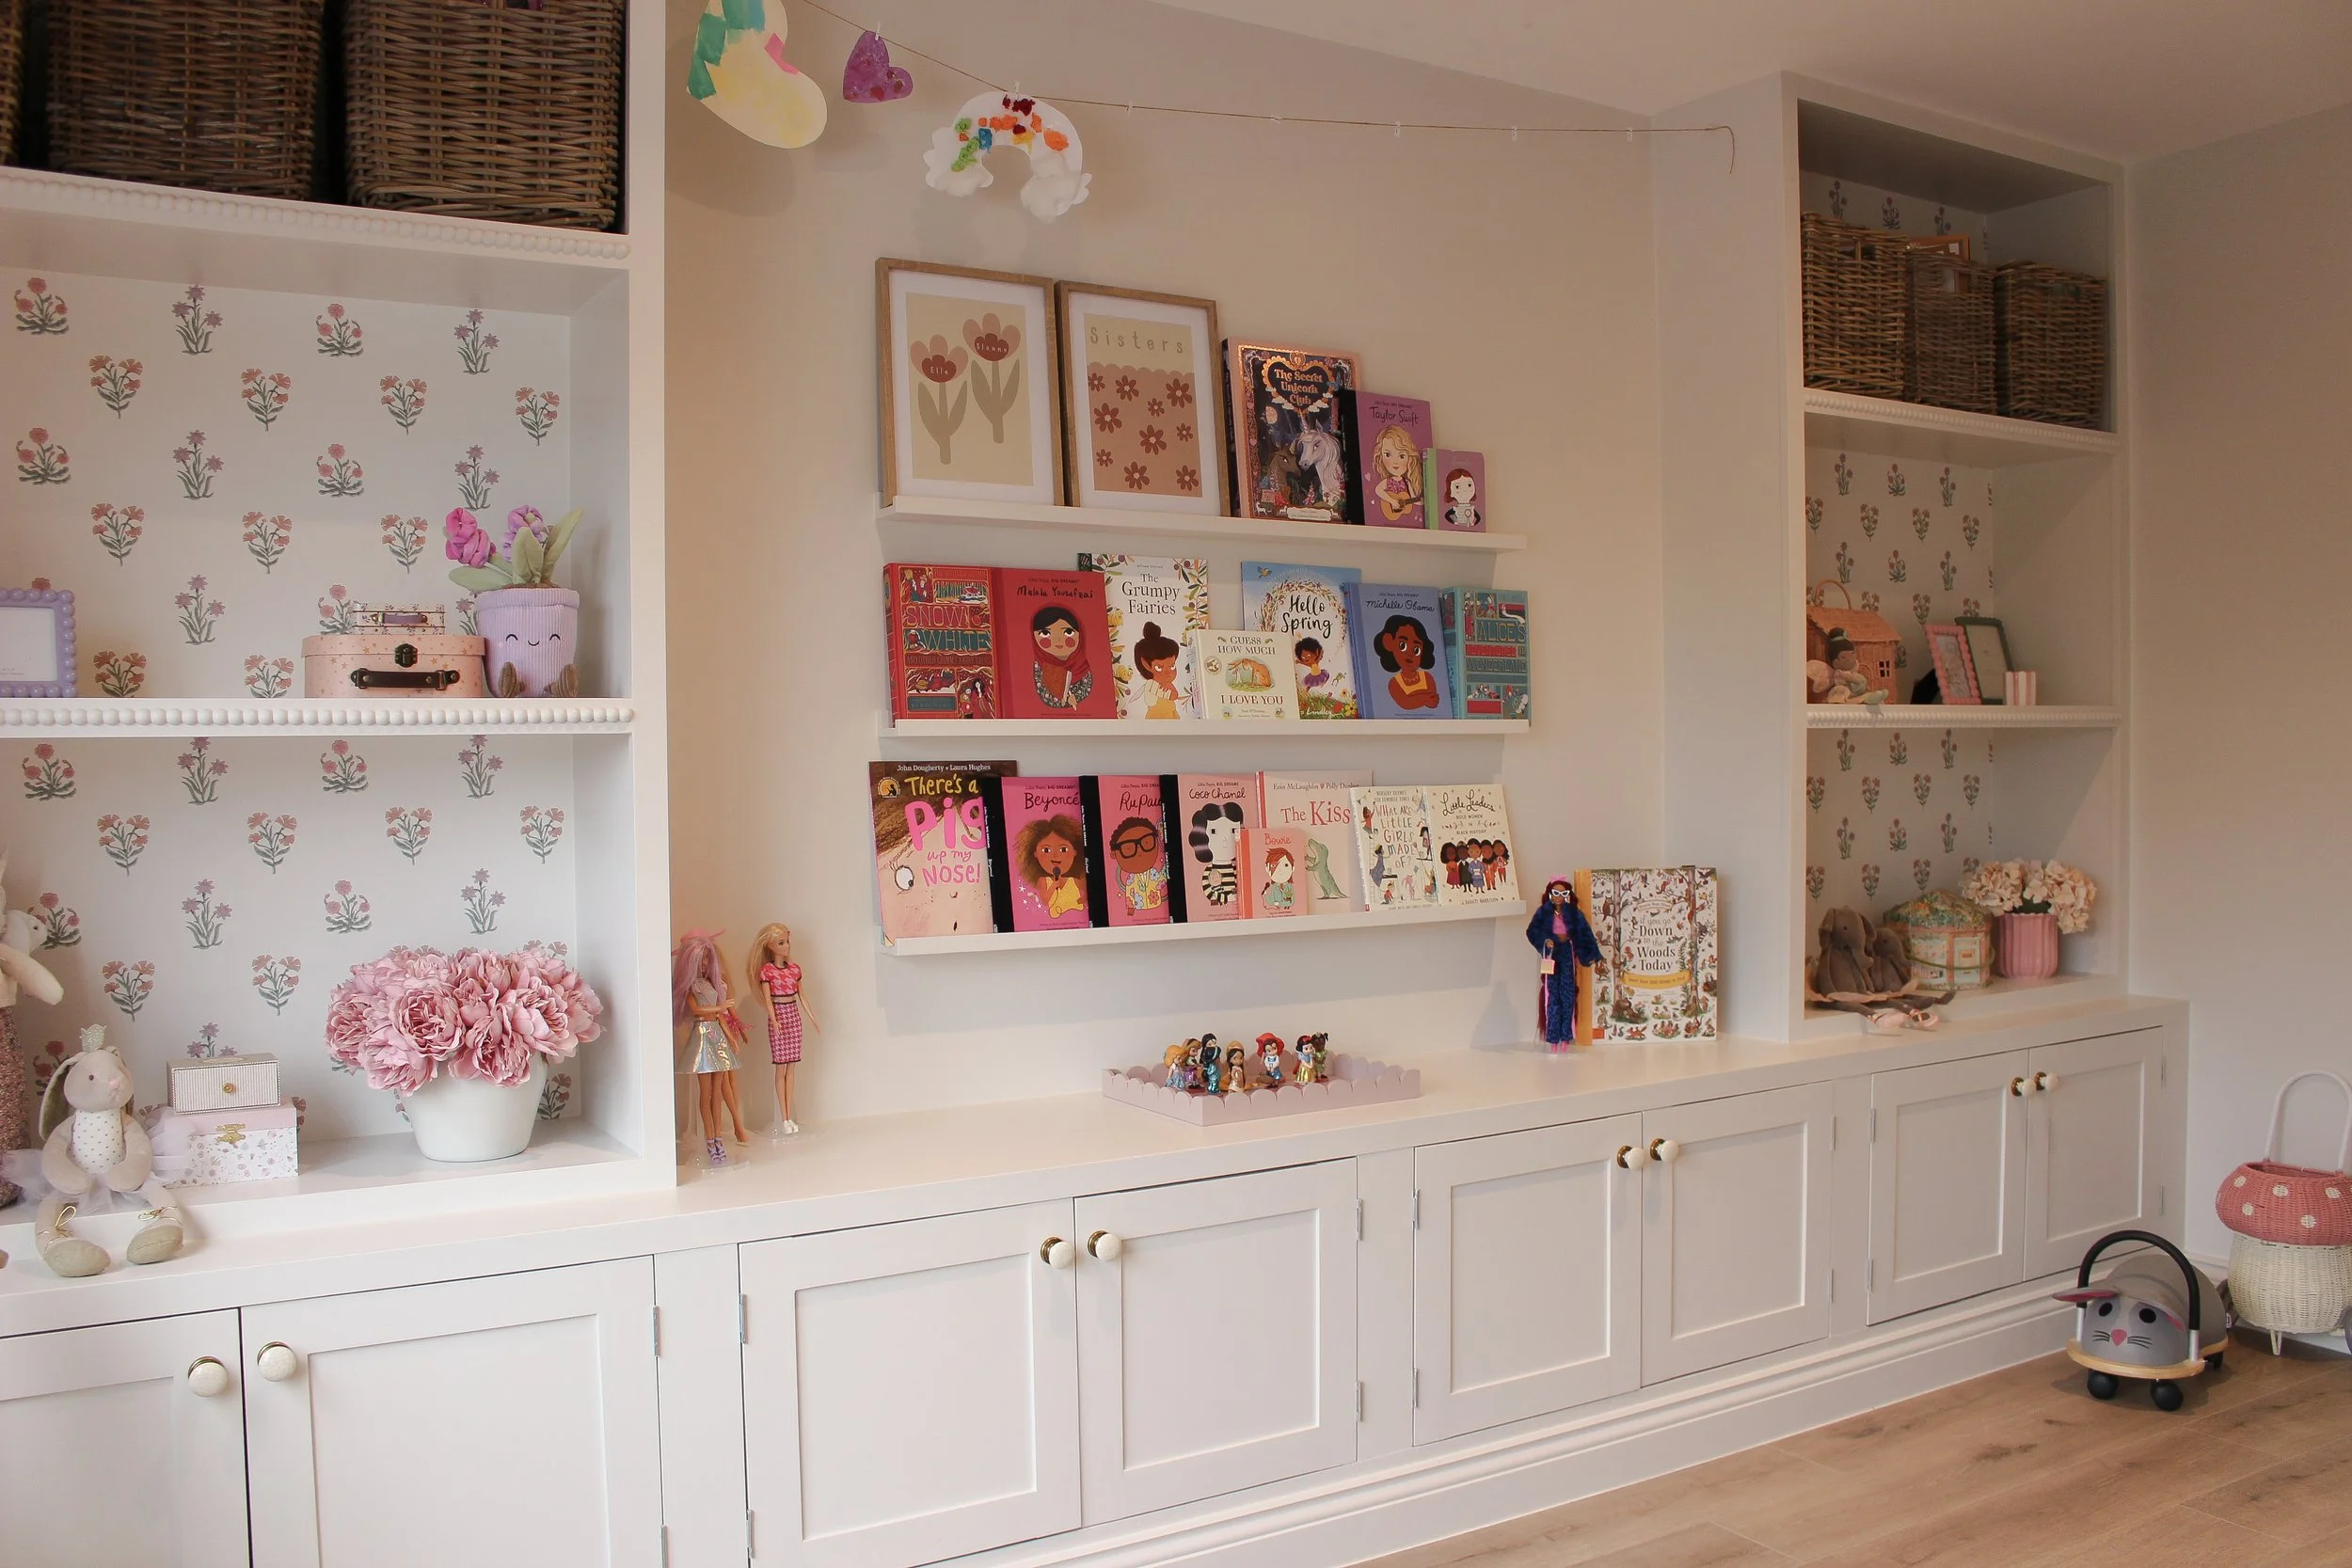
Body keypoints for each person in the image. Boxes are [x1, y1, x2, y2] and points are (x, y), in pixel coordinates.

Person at [672, 930, 751, 1165]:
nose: (704, 963)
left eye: (707, 958)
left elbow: (722, 1017)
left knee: (717, 1092)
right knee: (705, 1094)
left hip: (717, 1035)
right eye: (700, 959)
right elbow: (697, 1010)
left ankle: (718, 1137)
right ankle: (709, 1139)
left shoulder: (710, 983)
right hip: (702, 1037)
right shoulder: (690, 987)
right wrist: (719, 1009)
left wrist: (731, 1038)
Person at [748, 924, 818, 1139]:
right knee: (780, 1069)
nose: (786, 946)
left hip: (793, 1015)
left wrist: (812, 1017)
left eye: (787, 941)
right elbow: (768, 1001)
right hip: (779, 1018)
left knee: (792, 1068)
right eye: (781, 943)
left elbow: (802, 997)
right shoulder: (767, 972)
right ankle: (784, 1117)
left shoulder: (794, 969)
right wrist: (774, 1019)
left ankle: (789, 1118)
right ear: (769, 946)